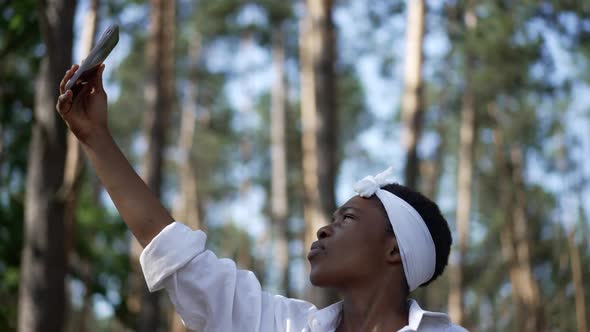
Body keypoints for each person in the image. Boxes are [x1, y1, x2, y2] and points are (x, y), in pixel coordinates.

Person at [56, 64, 468, 332]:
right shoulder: (282, 325)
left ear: (394, 249)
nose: (324, 229)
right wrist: (94, 137)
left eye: (347, 220)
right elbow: (174, 251)